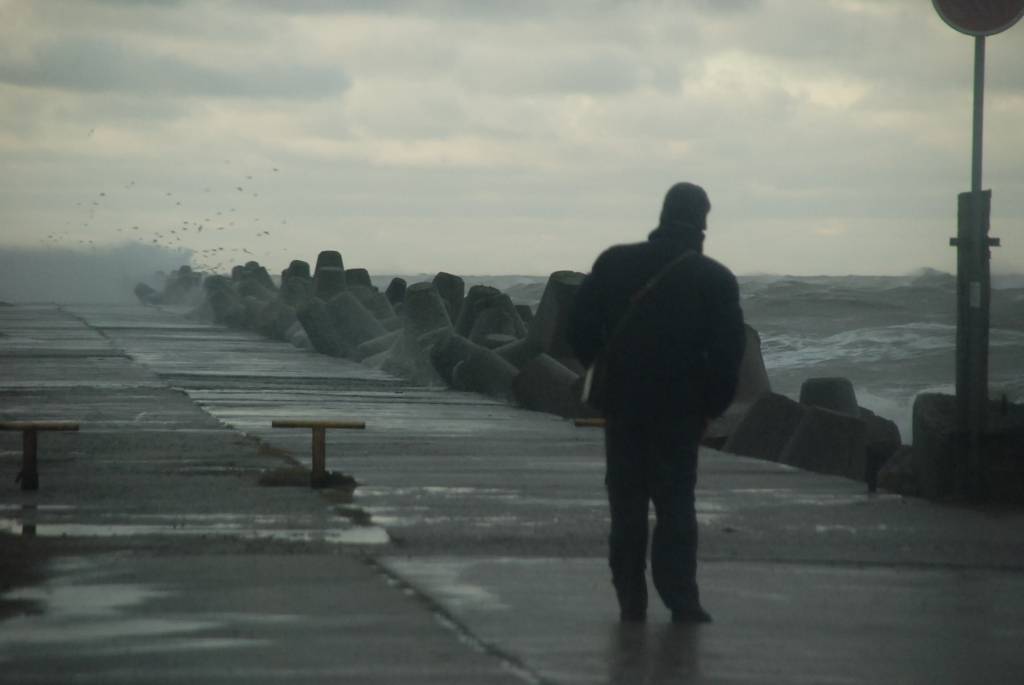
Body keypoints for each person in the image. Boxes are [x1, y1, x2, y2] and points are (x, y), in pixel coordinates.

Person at [568, 182, 746, 623]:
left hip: (624, 404)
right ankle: (681, 598)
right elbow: (728, 355)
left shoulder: (615, 262)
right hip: (681, 410)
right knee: (675, 505)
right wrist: (710, 406)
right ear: (703, 221)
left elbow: (577, 326)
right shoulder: (715, 279)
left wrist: (605, 367)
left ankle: (630, 598)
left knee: (626, 504)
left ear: (662, 214)